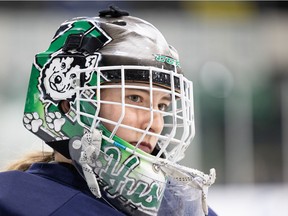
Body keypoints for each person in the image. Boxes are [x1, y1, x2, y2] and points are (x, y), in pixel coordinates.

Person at [0, 6, 217, 216]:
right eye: (135, 98)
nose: (154, 124)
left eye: (162, 106)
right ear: (69, 103)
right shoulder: (13, 202)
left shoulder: (182, 207)